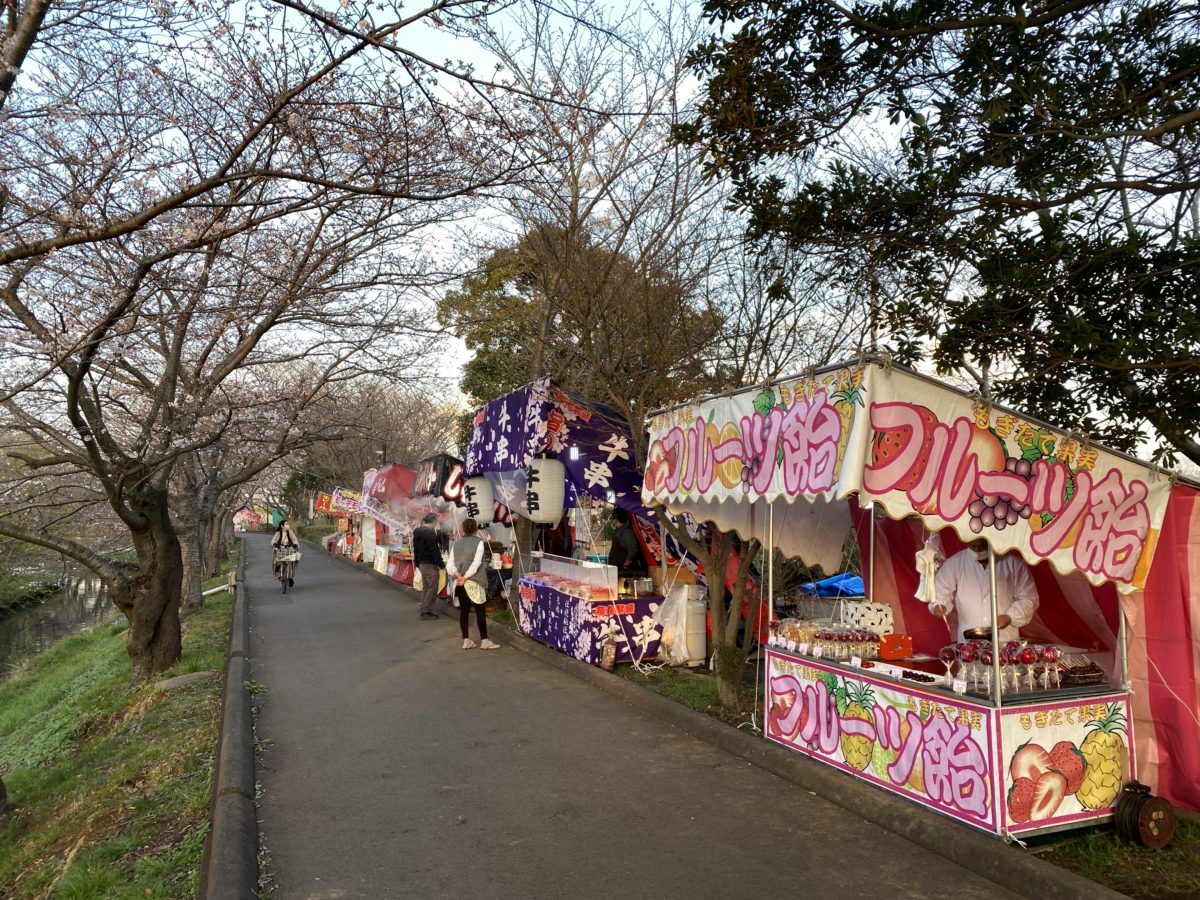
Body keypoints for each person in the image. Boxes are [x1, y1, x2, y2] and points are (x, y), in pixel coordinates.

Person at [931, 537, 1039, 641]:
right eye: (973, 546)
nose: (978, 550)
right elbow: (940, 591)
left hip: (1005, 641)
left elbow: (1029, 598)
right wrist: (940, 605)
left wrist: (1010, 617)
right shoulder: (954, 563)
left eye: (982, 545)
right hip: (968, 642)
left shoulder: (1014, 564)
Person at [446, 518, 499, 650]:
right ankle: (485, 641)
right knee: (480, 611)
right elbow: (476, 563)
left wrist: (458, 576)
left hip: (459, 582)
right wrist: (465, 577)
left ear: (463, 529)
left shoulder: (457, 543)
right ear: (476, 529)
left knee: (463, 611)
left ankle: (466, 640)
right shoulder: (479, 542)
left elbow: (449, 564)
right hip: (474, 581)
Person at [412, 512, 443, 620]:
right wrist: (441, 564)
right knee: (432, 588)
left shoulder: (417, 531)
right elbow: (434, 550)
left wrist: (417, 563)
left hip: (421, 563)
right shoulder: (430, 532)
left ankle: (424, 608)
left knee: (426, 587)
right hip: (429, 563)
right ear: (434, 521)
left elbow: (415, 549)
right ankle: (426, 611)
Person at [606, 508, 647, 578]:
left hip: (624, 572)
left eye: (612, 517)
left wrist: (625, 565)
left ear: (616, 519)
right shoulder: (618, 530)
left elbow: (633, 550)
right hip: (616, 570)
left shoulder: (627, 532)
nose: (610, 520)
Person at [271, 519, 300, 586]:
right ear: (282, 526)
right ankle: (278, 572)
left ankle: (290, 577)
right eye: (286, 524)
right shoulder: (278, 533)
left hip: (289, 548)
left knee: (293, 560)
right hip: (280, 548)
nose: (288, 525)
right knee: (277, 560)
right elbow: (273, 540)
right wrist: (274, 544)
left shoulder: (290, 532)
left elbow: (295, 539)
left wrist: (295, 544)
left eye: (288, 524)